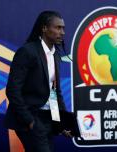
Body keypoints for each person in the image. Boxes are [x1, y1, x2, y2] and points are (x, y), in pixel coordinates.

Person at [4, 11, 72, 152]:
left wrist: (63, 122)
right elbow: (12, 90)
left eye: (63, 28)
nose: (62, 32)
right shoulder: (27, 52)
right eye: (58, 28)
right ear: (44, 28)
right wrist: (29, 120)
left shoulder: (56, 55)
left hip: (48, 119)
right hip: (32, 117)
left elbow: (54, 92)